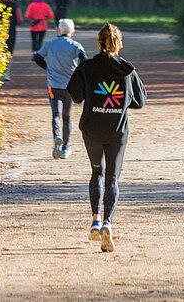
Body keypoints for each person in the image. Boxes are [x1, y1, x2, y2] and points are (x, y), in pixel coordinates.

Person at [67, 22, 146, 253]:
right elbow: (140, 101)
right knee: (112, 177)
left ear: (98, 43)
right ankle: (108, 223)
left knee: (96, 173)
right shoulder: (128, 71)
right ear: (118, 44)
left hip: (92, 128)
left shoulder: (86, 67)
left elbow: (76, 96)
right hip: (117, 131)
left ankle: (95, 219)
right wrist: (119, 101)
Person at [33, 19, 86, 159]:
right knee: (67, 117)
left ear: (58, 31)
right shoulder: (75, 45)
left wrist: (48, 68)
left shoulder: (50, 44)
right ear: (72, 32)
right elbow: (84, 60)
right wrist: (79, 75)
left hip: (53, 86)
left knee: (56, 114)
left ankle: (56, 136)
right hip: (69, 86)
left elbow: (37, 57)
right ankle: (65, 148)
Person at [0, 0, 22, 82]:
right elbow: (19, 20)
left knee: (0, 51)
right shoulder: (15, 7)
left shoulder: (0, 6)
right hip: (11, 32)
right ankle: (6, 74)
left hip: (0, 31)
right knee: (9, 53)